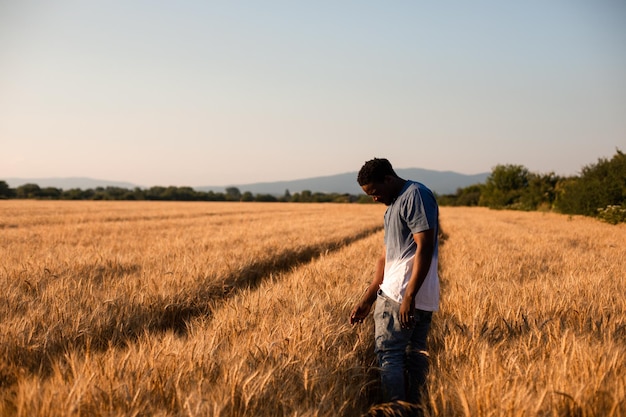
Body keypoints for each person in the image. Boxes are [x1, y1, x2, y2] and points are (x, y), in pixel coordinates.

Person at [350, 157, 439, 404]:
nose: (374, 198)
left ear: (389, 179)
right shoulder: (394, 206)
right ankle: (413, 409)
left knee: (390, 355)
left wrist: (409, 295)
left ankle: (396, 411)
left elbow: (425, 245)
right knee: (414, 356)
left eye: (376, 192)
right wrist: (367, 300)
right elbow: (385, 259)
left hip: (402, 295)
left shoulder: (415, 195)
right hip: (414, 295)